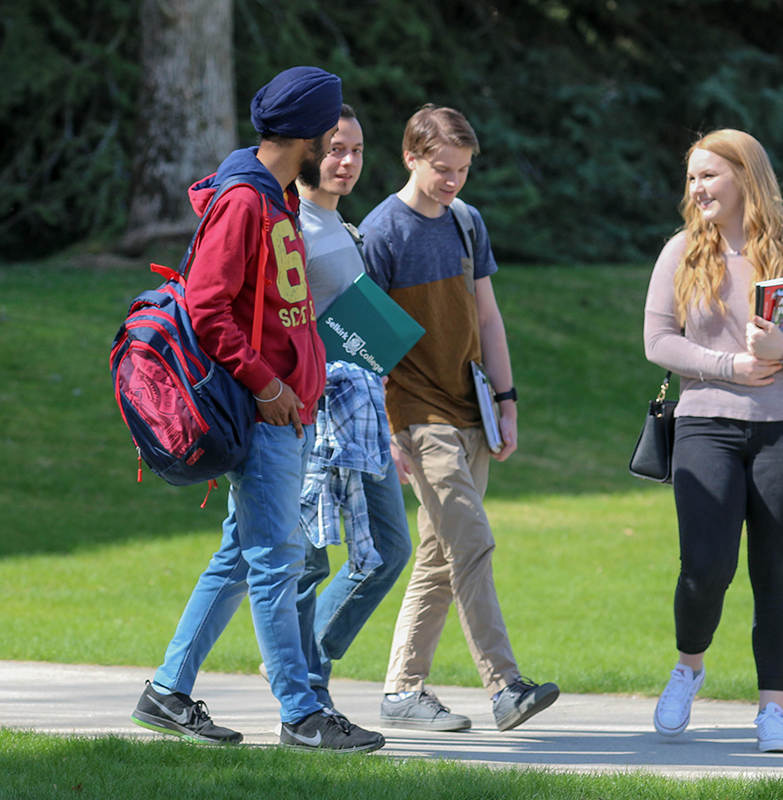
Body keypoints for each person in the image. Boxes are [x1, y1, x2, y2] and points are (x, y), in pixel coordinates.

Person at [130, 67, 384, 754]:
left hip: (287, 408)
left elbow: (275, 310)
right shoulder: (246, 201)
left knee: (242, 556)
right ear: (311, 130)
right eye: (330, 126)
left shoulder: (271, 195)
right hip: (263, 412)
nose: (336, 136)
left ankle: (167, 690)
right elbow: (209, 308)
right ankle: (302, 714)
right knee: (276, 558)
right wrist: (269, 385)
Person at [643, 129, 783, 753]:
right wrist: (729, 366)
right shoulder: (681, 251)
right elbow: (658, 342)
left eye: (709, 176)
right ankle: (689, 668)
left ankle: (772, 711)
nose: (697, 189)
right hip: (707, 424)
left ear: (745, 178)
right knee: (705, 568)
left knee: (777, 573)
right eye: (692, 179)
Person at [359, 104, 558, 733]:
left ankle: (401, 692)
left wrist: (507, 400)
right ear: (411, 157)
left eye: (464, 169)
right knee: (471, 539)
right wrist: (389, 429)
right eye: (443, 168)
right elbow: (364, 348)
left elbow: (489, 319)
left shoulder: (468, 224)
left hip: (473, 411)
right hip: (418, 416)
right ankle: (505, 686)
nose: (453, 181)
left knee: (440, 557)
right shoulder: (381, 233)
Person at [284, 104, 413, 712]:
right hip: (310, 417)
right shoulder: (293, 227)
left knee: (389, 550)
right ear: (309, 150)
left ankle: (301, 660)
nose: (348, 161)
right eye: (336, 149)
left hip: (361, 415)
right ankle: (308, 690)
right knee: (309, 560)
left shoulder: (345, 227)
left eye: (357, 150)